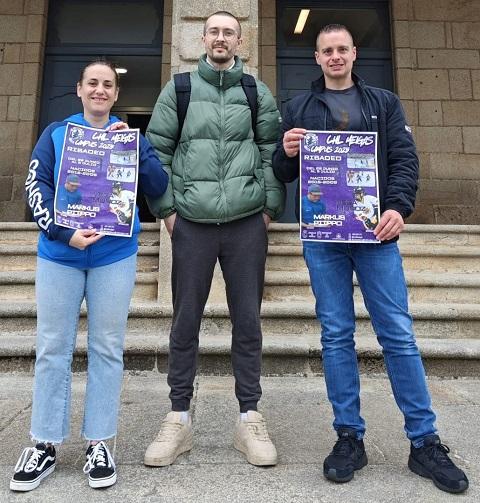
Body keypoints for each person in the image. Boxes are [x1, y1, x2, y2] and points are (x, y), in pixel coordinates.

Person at [272, 24, 468, 494]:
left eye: (342, 49)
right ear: (317, 58)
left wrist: (398, 207)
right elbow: (282, 172)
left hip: (375, 234)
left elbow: (405, 159)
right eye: (327, 51)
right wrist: (286, 151)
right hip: (324, 238)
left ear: (354, 53)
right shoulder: (298, 108)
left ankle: (424, 441)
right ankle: (349, 436)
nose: (335, 56)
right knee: (336, 335)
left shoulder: (384, 103)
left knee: (397, 334)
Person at [11, 59, 168, 492]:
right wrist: (64, 232)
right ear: (79, 89)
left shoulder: (129, 137)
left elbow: (157, 186)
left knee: (107, 347)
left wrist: (134, 148)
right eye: (93, 83)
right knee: (52, 347)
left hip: (114, 255)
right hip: (60, 254)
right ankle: (44, 442)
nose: (100, 90)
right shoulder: (56, 133)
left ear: (116, 94)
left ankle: (99, 442)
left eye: (108, 85)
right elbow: (36, 186)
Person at [144, 11, 284, 468]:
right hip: (192, 223)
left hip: (246, 222)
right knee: (185, 321)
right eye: (214, 32)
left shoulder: (255, 91)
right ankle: (178, 418)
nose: (221, 38)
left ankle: (249, 417)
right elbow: (157, 151)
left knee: (248, 321)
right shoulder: (180, 90)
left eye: (229, 32)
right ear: (202, 39)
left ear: (240, 41)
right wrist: (167, 211)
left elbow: (270, 149)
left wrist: (269, 208)